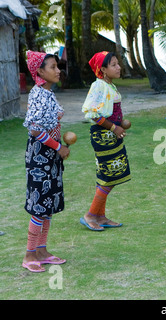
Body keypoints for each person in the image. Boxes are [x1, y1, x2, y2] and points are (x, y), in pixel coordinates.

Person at [22, 50, 70, 272]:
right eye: (52, 67)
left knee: (48, 206)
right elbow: (34, 130)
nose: (57, 70)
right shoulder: (38, 94)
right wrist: (58, 146)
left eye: (57, 66)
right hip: (41, 156)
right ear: (40, 71)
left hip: (50, 156)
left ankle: (42, 250)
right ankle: (29, 253)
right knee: (39, 206)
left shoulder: (48, 93)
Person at [80, 51, 130, 231]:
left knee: (110, 174)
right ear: (103, 69)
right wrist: (113, 127)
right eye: (114, 65)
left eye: (118, 63)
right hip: (103, 135)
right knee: (109, 175)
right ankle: (91, 214)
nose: (118, 67)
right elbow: (92, 113)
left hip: (112, 134)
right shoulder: (98, 85)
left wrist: (119, 124)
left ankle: (100, 216)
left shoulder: (110, 85)